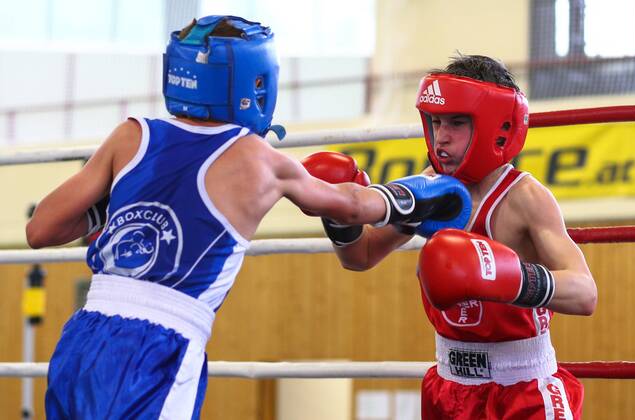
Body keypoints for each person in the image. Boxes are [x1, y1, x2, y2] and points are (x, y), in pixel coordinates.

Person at [25, 16, 471, 419]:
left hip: (83, 335)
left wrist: (124, 194)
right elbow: (352, 206)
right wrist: (420, 193)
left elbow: (40, 229)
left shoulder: (130, 137)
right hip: (160, 344)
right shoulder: (258, 158)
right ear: (254, 83)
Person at [305, 55, 597, 419]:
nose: (442, 137)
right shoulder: (434, 188)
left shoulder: (525, 198)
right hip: (449, 386)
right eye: (436, 121)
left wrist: (508, 277)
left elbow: (585, 293)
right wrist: (338, 219)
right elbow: (359, 256)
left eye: (457, 123)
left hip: (522, 388)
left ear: (497, 127)